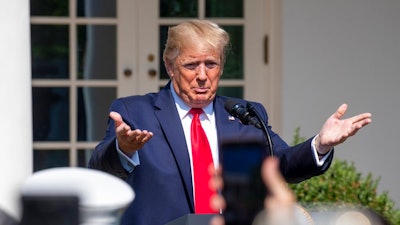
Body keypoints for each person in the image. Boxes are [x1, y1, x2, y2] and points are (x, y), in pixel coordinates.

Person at [88, 19, 372, 225]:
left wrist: (319, 145)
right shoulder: (135, 111)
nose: (202, 75)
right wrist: (123, 149)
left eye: (210, 64)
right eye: (191, 65)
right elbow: (100, 168)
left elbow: (280, 164)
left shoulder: (244, 114)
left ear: (221, 67)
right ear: (170, 67)